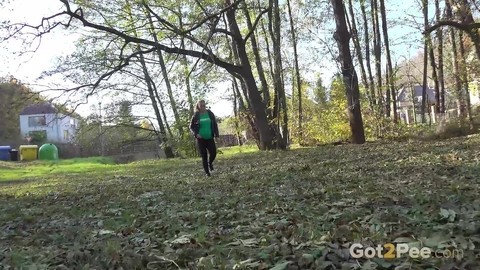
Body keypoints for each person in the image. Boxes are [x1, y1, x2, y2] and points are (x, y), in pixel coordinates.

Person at [189, 100, 219, 176]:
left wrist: (216, 135)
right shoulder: (196, 116)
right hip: (200, 139)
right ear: (198, 107)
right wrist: (196, 134)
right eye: (201, 105)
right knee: (204, 155)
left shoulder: (210, 113)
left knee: (213, 153)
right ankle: (207, 173)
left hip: (210, 138)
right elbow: (191, 127)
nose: (203, 107)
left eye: (204, 105)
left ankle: (210, 163)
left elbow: (214, 124)